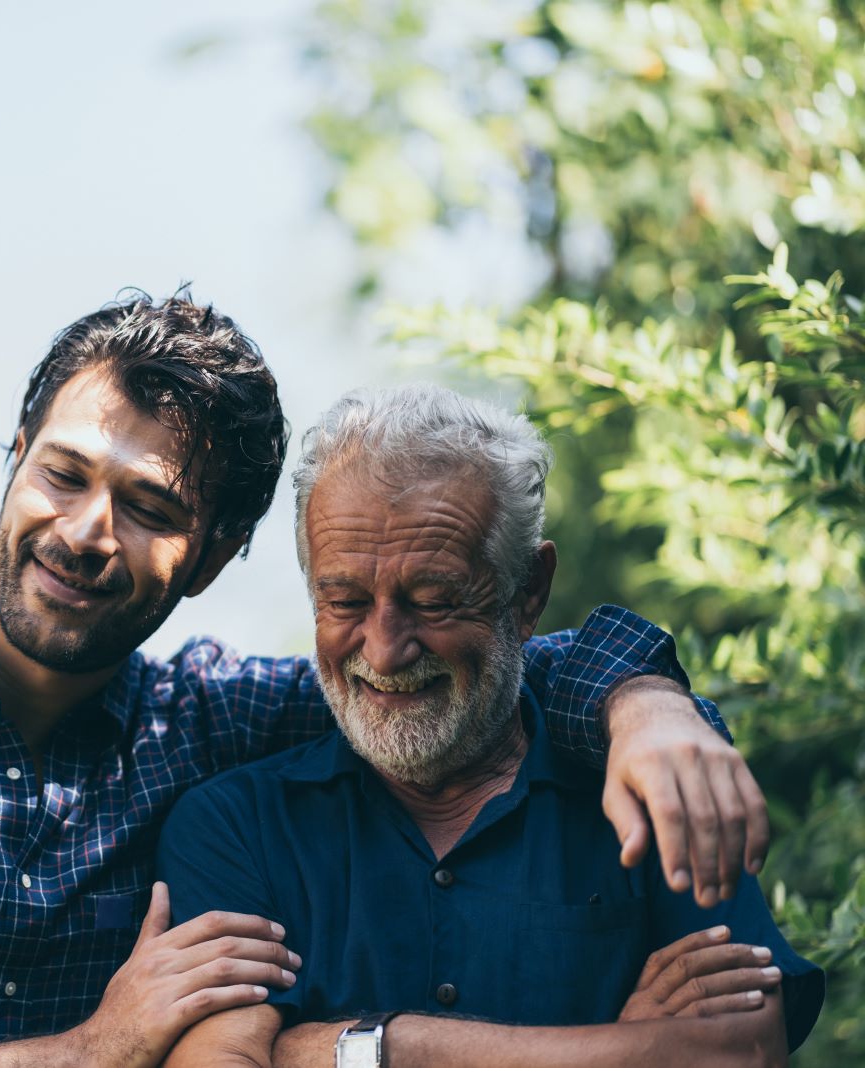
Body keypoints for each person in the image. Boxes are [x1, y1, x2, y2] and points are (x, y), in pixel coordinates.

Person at [0, 293, 769, 1068]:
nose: (85, 532)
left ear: (218, 557)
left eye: (150, 509)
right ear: (15, 454)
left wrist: (646, 702)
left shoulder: (209, 725)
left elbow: (458, 656)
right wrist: (84, 1052)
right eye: (63, 473)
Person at [157, 384, 824, 1068]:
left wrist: (358, 1049)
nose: (385, 650)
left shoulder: (654, 781)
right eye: (346, 600)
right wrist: (626, 1050)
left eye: (437, 602)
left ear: (529, 592)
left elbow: (739, 1054)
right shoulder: (236, 826)